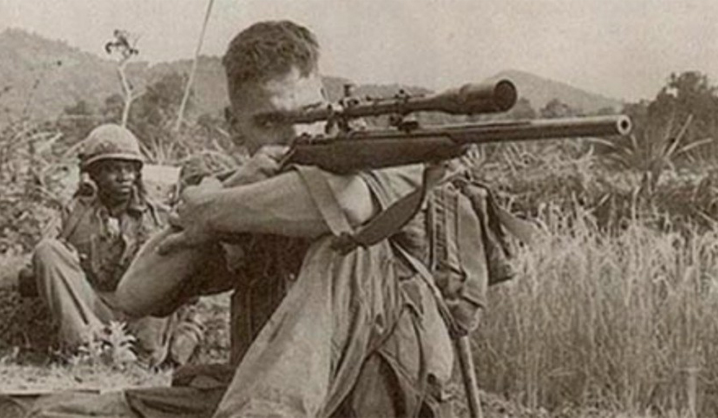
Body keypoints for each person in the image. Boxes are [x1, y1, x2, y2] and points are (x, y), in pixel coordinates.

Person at [152, 20, 479, 417]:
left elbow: (345, 205)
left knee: (345, 242)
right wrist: (230, 191)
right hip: (262, 395)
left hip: (377, 400)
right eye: (269, 121)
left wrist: (210, 210)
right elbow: (136, 292)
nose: (296, 135)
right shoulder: (249, 186)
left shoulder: (393, 158)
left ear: (327, 102)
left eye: (308, 113)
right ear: (234, 125)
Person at [21, 124, 201, 367]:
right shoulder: (71, 213)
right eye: (113, 169)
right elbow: (29, 275)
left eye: (129, 169)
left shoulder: (158, 217)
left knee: (169, 253)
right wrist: (68, 261)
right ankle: (89, 347)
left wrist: (188, 332)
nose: (124, 177)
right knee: (48, 250)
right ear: (93, 174)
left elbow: (188, 287)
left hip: (141, 314)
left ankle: (142, 354)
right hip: (90, 309)